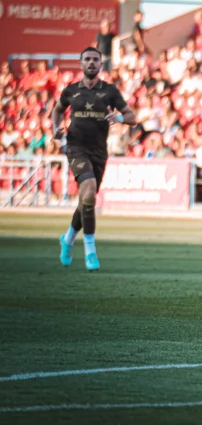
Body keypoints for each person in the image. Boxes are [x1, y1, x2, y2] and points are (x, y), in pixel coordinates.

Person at [52, 47, 137, 271]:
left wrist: (119, 118)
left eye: (95, 60)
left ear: (101, 64)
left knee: (86, 201)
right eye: (87, 59)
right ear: (80, 63)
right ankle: (90, 251)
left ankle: (68, 238)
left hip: (99, 152)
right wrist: (55, 129)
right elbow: (57, 110)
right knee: (88, 189)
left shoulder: (110, 91)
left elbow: (132, 117)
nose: (91, 63)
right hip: (76, 147)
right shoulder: (71, 91)